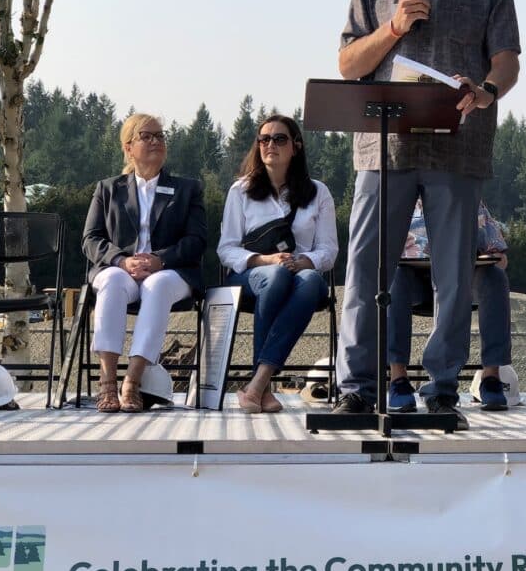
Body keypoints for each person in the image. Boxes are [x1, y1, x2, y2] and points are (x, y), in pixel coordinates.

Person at [333, 0, 521, 429]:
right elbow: (349, 65)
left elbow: (507, 60)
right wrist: (393, 26)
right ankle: (358, 384)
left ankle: (442, 387)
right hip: (383, 153)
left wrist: (487, 90)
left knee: (454, 277)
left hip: (457, 150)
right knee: (366, 269)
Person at [82, 114, 206, 413]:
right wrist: (121, 261)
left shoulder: (188, 189)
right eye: (147, 136)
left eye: (160, 136)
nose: (156, 142)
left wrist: (161, 260)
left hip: (170, 272)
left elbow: (197, 241)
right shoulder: (108, 189)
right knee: (111, 280)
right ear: (128, 147)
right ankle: (108, 384)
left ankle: (133, 382)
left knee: (157, 283)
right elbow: (90, 239)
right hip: (121, 271)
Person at [218, 115, 337, 414]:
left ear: (296, 146)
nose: (270, 144)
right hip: (251, 276)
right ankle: (264, 386)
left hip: (301, 277)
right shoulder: (240, 191)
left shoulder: (318, 192)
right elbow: (226, 249)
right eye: (264, 139)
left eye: (279, 138)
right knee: (275, 276)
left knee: (311, 281)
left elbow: (329, 249)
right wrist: (264, 260)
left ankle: (258, 383)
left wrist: (304, 261)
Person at [387, 200, 512, 412]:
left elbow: (500, 255)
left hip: (460, 281)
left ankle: (491, 377)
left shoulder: (470, 201)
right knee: (393, 277)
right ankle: (398, 379)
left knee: (495, 277)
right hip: (418, 282)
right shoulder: (403, 200)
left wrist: (488, 260)